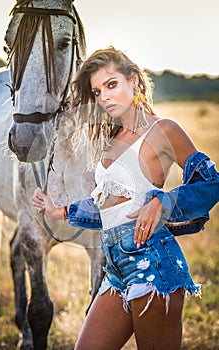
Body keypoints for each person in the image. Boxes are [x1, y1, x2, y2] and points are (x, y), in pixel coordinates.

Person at [32, 47, 219, 349]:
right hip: (116, 270)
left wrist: (163, 202)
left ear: (133, 80)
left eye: (111, 85)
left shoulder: (164, 130)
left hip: (153, 268)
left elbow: (212, 183)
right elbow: (109, 203)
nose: (103, 97)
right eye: (96, 91)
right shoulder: (115, 139)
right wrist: (60, 211)